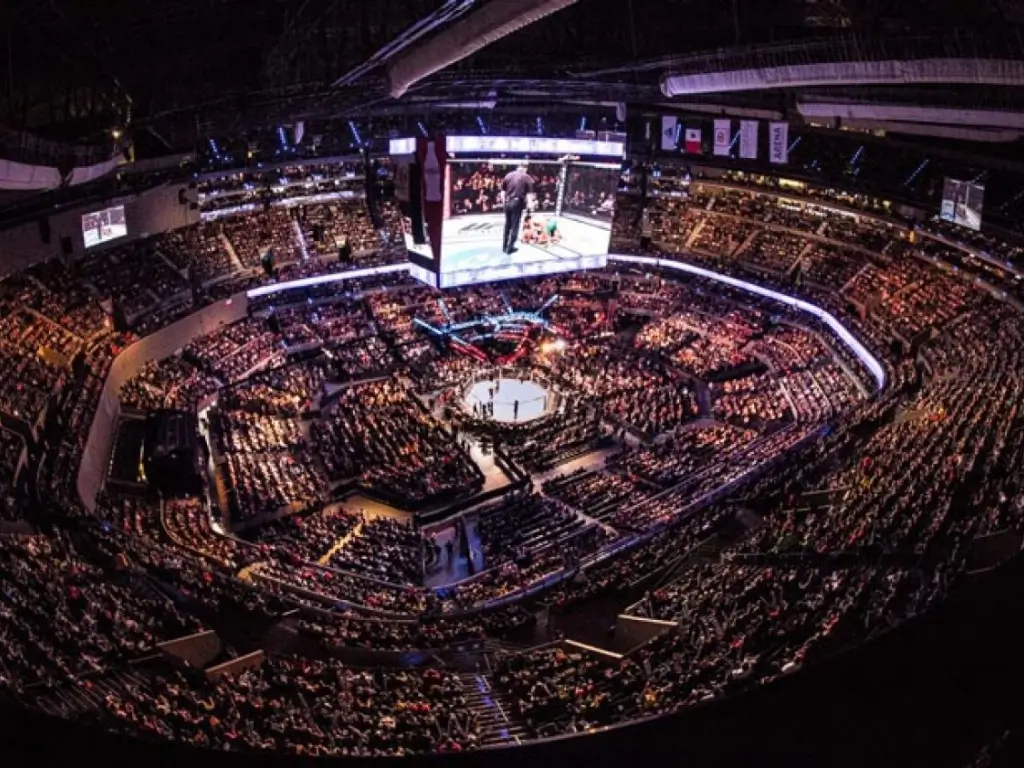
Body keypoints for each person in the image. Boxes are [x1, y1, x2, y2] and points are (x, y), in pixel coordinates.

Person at [500, 163, 535, 254]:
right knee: (515, 226)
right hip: (517, 202)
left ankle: (504, 246)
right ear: (524, 168)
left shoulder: (508, 175)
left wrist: (504, 202)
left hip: (507, 202)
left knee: (507, 225)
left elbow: (503, 191)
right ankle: (510, 248)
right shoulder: (526, 177)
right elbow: (529, 194)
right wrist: (530, 206)